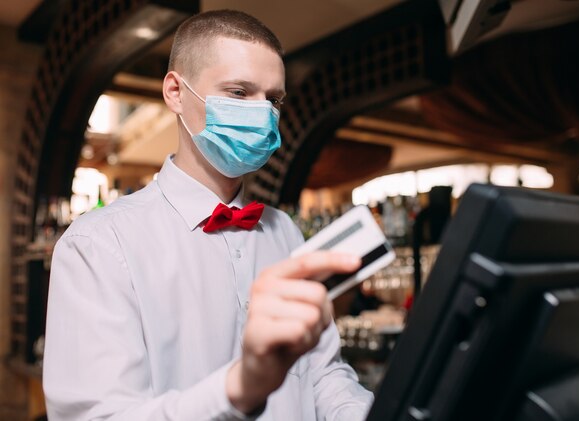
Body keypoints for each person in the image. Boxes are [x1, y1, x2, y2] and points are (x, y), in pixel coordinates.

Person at [43, 9, 373, 421]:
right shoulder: (98, 245)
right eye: (239, 92)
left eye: (273, 99)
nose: (263, 113)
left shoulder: (284, 230)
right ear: (175, 93)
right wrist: (239, 389)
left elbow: (320, 372)